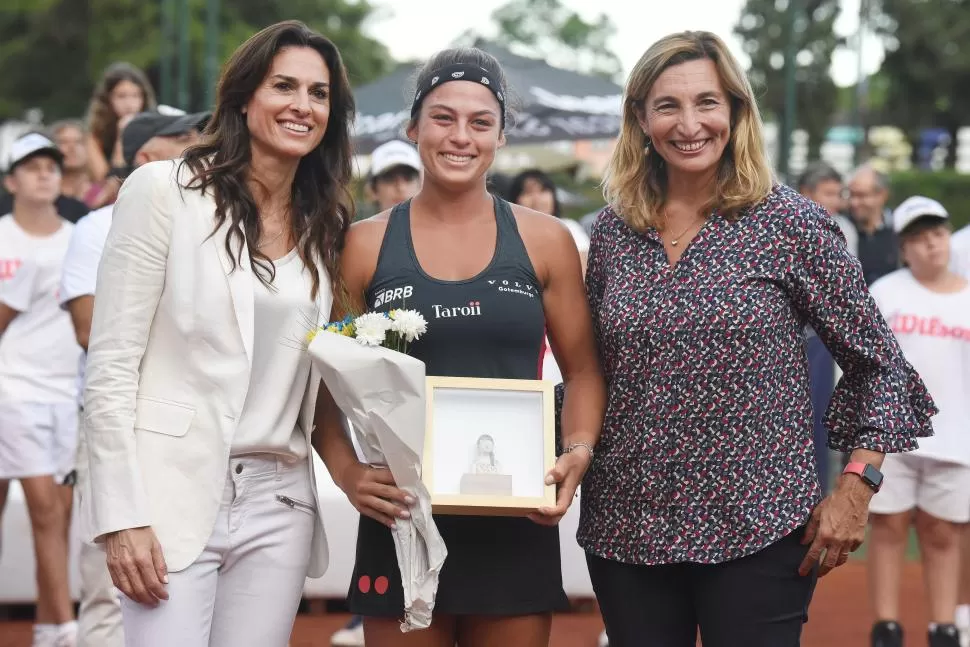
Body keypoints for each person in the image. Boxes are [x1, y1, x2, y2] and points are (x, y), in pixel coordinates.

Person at [582, 31, 934, 647]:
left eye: (707, 103)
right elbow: (591, 372)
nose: (689, 123)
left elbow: (879, 364)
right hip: (626, 525)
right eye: (667, 106)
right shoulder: (613, 233)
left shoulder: (789, 222)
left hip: (759, 523)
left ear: (738, 111)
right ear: (640, 119)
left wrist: (856, 485)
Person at [314, 46, 606, 647]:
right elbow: (323, 380)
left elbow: (582, 373)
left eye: (480, 122)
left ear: (501, 136)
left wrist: (576, 451)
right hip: (401, 518)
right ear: (413, 127)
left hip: (514, 513)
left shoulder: (545, 241)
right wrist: (346, 472)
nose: (460, 137)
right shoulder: (363, 246)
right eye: (443, 118)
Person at [80, 20, 355, 646]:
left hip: (279, 502)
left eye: (319, 94)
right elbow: (112, 364)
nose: (302, 105)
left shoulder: (329, 225)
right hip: (169, 493)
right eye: (284, 85)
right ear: (243, 97)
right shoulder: (163, 191)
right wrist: (120, 514)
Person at [57, 109, 208, 647]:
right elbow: (87, 331)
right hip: (113, 425)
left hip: (181, 434)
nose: (199, 146)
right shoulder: (96, 227)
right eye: (184, 139)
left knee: (172, 584)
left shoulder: (209, 222)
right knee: (107, 588)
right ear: (144, 158)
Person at [865, 196, 970, 647]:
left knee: (944, 533)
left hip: (956, 437)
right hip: (893, 439)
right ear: (904, 248)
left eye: (938, 234)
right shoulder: (886, 292)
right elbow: (863, 368)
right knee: (887, 528)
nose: (932, 245)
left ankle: (943, 627)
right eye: (920, 239)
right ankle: (886, 627)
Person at [330, 137, 422, 647]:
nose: (399, 186)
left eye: (405, 176)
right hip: (394, 498)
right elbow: (329, 366)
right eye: (389, 178)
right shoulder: (356, 245)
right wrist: (348, 470)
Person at [0, 133, 82, 647]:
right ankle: (61, 629)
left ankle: (50, 627)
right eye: (31, 166)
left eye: (51, 164)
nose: (44, 173)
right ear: (11, 181)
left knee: (61, 513)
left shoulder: (79, 237)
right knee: (45, 507)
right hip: (12, 391)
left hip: (68, 393)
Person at [83, 62, 156, 204]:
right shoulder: (95, 136)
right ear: (108, 99)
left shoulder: (154, 132)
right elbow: (106, 185)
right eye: (121, 96)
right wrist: (122, 137)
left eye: (136, 96)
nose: (129, 104)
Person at [848, 164, 899, 285]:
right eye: (851, 195)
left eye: (861, 196)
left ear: (882, 195)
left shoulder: (898, 227)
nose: (854, 202)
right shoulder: (842, 229)